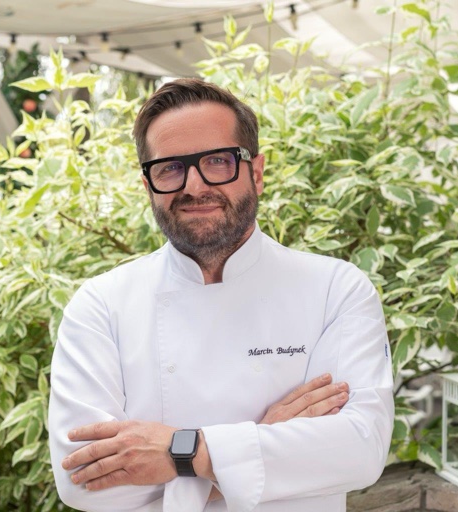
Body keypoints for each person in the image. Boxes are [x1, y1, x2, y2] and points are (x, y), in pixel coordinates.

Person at [49, 78, 394, 512]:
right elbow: (83, 480)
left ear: (257, 172)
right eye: (170, 168)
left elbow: (359, 449)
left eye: (217, 161)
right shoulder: (100, 305)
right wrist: (262, 447)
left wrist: (183, 454)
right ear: (148, 185)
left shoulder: (336, 290)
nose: (194, 186)